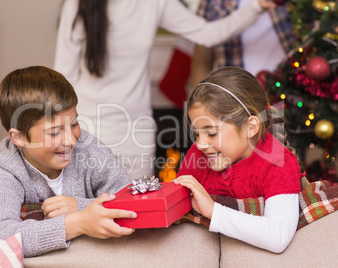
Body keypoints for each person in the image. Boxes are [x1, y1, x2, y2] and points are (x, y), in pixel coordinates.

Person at [53, 0, 277, 180]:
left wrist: (257, 6)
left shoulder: (155, 3)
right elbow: (63, 76)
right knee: (89, 215)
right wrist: (63, 132)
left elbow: (208, 34)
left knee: (135, 215)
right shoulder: (76, 5)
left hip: (136, 131)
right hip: (88, 130)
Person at [0, 66, 136, 257]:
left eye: (74, 124)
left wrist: (79, 206)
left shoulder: (90, 149)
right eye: (54, 132)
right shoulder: (2, 167)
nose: (71, 140)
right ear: (19, 138)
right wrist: (77, 222)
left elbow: (133, 203)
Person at [174, 66, 302, 253]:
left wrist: (213, 211)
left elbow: (279, 236)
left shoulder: (278, 162)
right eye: (196, 134)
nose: (200, 144)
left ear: (251, 127)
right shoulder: (198, 154)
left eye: (211, 133)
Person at [191, 0, 297, 86]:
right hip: (238, 99)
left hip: (290, 90)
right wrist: (199, 101)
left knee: (280, 112)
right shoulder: (213, 2)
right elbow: (202, 54)